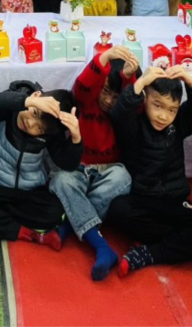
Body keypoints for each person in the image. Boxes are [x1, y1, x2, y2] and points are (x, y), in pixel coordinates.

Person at [107, 63, 192, 275]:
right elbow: (119, 113)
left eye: (172, 109)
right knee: (118, 209)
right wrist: (141, 82)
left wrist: (189, 80)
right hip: (143, 202)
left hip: (176, 202)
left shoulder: (178, 124)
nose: (163, 116)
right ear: (145, 99)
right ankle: (188, 245)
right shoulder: (133, 125)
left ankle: (150, 253)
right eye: (158, 105)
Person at [50, 46, 136, 280]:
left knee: (124, 178)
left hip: (109, 171)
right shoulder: (86, 100)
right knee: (60, 180)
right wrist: (104, 57)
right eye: (106, 91)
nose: (108, 100)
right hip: (79, 167)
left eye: (116, 96)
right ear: (99, 86)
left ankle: (69, 226)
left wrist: (130, 78)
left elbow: (133, 102)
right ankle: (101, 246)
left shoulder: (122, 111)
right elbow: (82, 86)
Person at [0, 82, 82, 247]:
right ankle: (25, 232)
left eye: (39, 129)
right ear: (36, 96)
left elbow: (67, 164)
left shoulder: (51, 132)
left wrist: (76, 139)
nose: (30, 123)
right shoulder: (8, 110)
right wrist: (29, 102)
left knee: (56, 211)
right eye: (34, 113)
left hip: (28, 193)